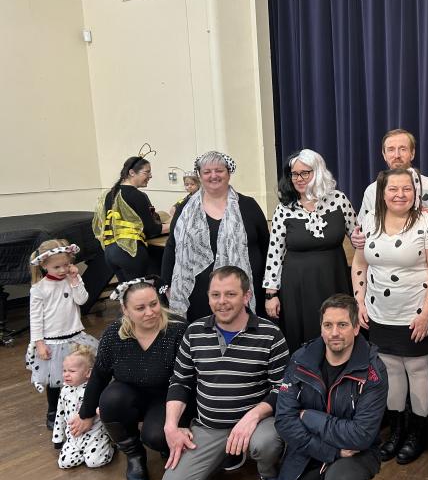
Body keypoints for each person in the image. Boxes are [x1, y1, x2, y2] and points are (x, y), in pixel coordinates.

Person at [158, 266, 288, 480]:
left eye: (230, 294)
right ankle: (219, 459)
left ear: (246, 296)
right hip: (209, 428)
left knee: (265, 443)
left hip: (254, 426)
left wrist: (253, 416)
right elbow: (180, 381)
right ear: (208, 297)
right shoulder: (194, 332)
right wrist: (171, 425)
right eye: (215, 295)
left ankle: (268, 473)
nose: (222, 302)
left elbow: (282, 388)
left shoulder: (270, 334)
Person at [263, 294, 388, 480]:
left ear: (356, 327)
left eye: (342, 325)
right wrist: (331, 451)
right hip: (309, 452)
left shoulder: (373, 371)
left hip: (355, 456)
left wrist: (310, 417)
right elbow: (285, 420)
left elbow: (361, 435)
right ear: (321, 327)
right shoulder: (301, 359)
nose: (334, 333)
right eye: (328, 325)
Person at [351, 168, 428, 464]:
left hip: (416, 313)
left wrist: (427, 314)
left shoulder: (427, 223)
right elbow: (359, 264)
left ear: (415, 193)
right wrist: (359, 301)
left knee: (417, 369)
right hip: (380, 312)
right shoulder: (369, 221)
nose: (400, 195)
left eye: (407, 189)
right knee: (390, 369)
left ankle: (416, 433)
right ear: (382, 193)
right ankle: (396, 431)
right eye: (393, 189)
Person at [75, 277, 189, 480]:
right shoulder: (114, 335)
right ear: (125, 310)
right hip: (130, 395)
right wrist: (86, 413)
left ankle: (166, 444)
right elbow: (99, 375)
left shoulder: (178, 330)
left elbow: (190, 379)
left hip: (168, 398)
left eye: (154, 304)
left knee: (156, 436)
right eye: (140, 308)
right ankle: (134, 455)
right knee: (110, 399)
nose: (150, 312)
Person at [263, 149, 358, 352]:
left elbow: (358, 238)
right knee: (301, 340)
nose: (298, 179)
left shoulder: (339, 200)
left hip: (333, 280)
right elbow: (274, 253)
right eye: (294, 174)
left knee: (336, 333)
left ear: (318, 171)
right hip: (296, 286)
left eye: (305, 173)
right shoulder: (284, 209)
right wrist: (271, 295)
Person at [163, 151, 270, 322]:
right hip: (196, 294)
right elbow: (171, 246)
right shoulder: (185, 209)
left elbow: (266, 247)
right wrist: (166, 285)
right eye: (207, 172)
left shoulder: (248, 206)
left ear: (228, 173)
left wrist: (269, 290)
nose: (213, 176)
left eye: (219, 170)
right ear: (200, 175)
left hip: (243, 292)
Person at [25, 240, 98, 429]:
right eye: (56, 267)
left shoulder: (71, 280)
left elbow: (82, 300)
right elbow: (35, 319)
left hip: (75, 337)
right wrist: (39, 343)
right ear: (44, 265)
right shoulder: (39, 289)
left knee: (81, 373)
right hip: (53, 342)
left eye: (66, 265)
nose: (62, 270)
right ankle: (53, 411)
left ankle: (82, 407)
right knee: (56, 380)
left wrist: (75, 280)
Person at [93, 155, 169, 281]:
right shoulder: (137, 195)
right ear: (132, 172)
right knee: (137, 290)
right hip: (130, 252)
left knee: (125, 291)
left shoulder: (110, 194)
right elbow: (151, 229)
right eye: (147, 172)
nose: (150, 176)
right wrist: (175, 224)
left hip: (110, 252)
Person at [357, 128, 428, 221]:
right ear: (384, 155)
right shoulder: (372, 190)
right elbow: (363, 226)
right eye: (391, 150)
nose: (397, 155)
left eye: (403, 149)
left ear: (412, 153)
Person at [52, 345, 114, 469]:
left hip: (95, 435)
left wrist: (113, 436)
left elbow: (106, 413)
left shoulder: (95, 391)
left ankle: (108, 448)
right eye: (64, 371)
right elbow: (60, 414)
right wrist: (57, 438)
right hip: (74, 437)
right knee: (64, 463)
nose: (66, 375)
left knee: (94, 462)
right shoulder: (65, 391)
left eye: (72, 371)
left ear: (88, 373)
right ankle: (81, 453)